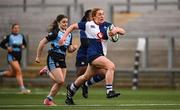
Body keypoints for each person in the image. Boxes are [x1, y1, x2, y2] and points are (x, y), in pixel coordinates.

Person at [59, 8, 126, 105]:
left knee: (85, 77)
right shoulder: (88, 25)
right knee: (111, 66)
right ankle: (109, 91)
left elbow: (123, 31)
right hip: (92, 54)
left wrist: (116, 30)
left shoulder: (108, 26)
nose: (102, 16)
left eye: (103, 14)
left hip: (99, 55)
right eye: (99, 14)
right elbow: (73, 26)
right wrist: (64, 37)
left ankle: (70, 92)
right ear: (94, 16)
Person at [35, 14, 77, 106]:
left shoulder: (69, 34)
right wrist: (38, 56)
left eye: (66, 22)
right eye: (63, 22)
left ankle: (48, 100)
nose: (65, 24)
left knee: (60, 82)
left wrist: (73, 48)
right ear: (58, 23)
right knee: (60, 81)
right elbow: (42, 42)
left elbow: (69, 50)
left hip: (62, 59)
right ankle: (47, 71)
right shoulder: (55, 32)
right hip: (53, 57)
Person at [76, 9, 105, 99]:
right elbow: (84, 43)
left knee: (103, 73)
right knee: (81, 73)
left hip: (93, 54)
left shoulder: (97, 26)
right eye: (93, 15)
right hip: (83, 54)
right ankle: (71, 93)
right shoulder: (85, 27)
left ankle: (86, 84)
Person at [0, 23, 31, 94]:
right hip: (11, 56)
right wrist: (7, 47)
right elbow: (1, 44)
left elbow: (25, 45)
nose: (16, 29)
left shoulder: (21, 36)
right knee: (19, 71)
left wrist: (23, 46)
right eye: (15, 28)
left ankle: (1, 73)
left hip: (18, 57)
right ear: (12, 29)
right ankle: (22, 89)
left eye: (18, 28)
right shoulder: (9, 36)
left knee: (13, 73)